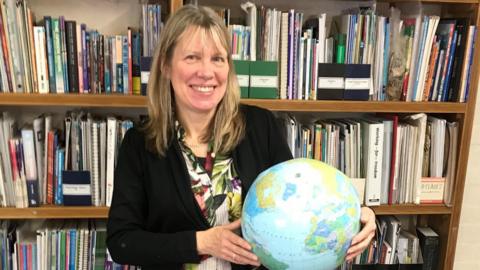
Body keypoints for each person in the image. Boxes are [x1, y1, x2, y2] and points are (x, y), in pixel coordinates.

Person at [107, 4, 376, 270]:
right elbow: (121, 242)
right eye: (192, 57)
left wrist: (360, 214)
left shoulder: (260, 126)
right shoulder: (139, 143)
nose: (206, 72)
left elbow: (300, 201)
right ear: (166, 66)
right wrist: (201, 243)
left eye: (217, 58)